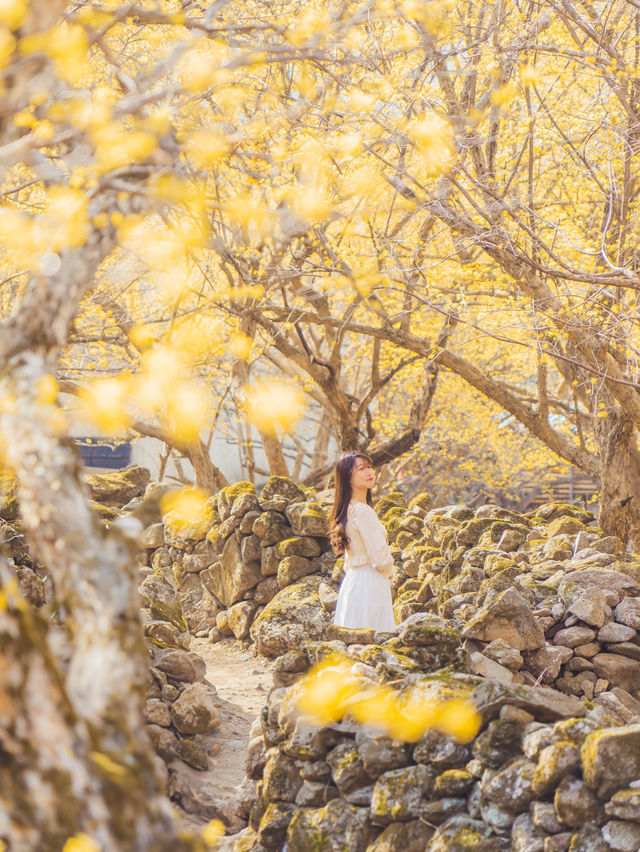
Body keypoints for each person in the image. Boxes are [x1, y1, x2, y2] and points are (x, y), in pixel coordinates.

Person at [329, 451, 396, 632]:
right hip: (371, 584)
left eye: (370, 467)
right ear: (347, 477)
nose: (370, 472)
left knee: (353, 645)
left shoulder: (346, 510)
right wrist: (389, 572)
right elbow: (381, 559)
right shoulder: (363, 511)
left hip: (353, 582)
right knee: (374, 645)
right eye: (362, 469)